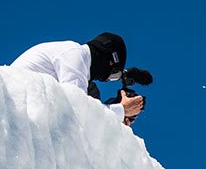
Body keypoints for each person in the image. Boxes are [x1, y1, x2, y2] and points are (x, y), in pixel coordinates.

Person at [10, 32, 144, 123]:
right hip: (16, 102)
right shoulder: (75, 54)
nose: (105, 79)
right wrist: (121, 110)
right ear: (110, 61)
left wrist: (115, 122)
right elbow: (77, 109)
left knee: (91, 95)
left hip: (24, 106)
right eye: (113, 75)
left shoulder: (76, 62)